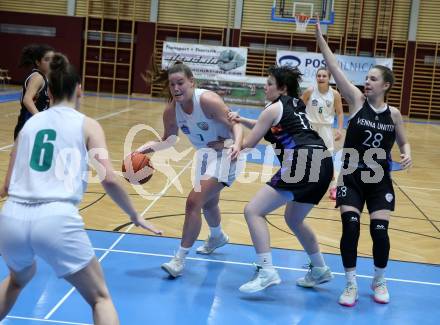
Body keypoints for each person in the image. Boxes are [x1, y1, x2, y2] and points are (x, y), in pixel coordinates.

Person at [0, 53, 162, 325]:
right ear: (79, 90)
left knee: (17, 280)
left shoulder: (29, 127)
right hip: (55, 217)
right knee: (100, 298)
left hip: (13, 216)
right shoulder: (87, 124)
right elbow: (109, 179)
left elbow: (6, 186)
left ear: (48, 92)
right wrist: (135, 215)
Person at [315, 19, 412, 306]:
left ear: (386, 85)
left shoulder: (393, 114)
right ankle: (350, 284)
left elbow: (404, 140)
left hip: (379, 179)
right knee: (351, 228)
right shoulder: (357, 101)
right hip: (352, 177)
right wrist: (321, 39)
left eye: (372, 79)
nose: (366, 82)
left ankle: (379, 280)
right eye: (366, 78)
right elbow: (334, 68)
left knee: (379, 232)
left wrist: (407, 152)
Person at [228, 65, 334, 293]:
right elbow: (266, 126)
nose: (265, 87)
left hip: (303, 160)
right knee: (294, 218)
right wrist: (242, 119)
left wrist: (231, 140)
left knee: (253, 211)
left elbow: (248, 144)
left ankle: (267, 271)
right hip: (324, 162)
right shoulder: (295, 104)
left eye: (269, 84)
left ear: (282, 88)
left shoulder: (272, 108)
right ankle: (319, 268)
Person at [136, 62, 243, 278]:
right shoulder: (171, 111)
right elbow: (168, 140)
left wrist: (237, 145)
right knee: (209, 203)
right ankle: (217, 236)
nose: (176, 88)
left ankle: (179, 260)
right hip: (204, 155)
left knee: (193, 202)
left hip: (226, 153)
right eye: (172, 84)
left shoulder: (207, 100)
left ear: (191, 82)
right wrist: (143, 150)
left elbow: (236, 125)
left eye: (180, 83)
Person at [301, 67, 344, 200]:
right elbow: (298, 107)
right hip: (310, 127)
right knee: (307, 157)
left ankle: (333, 188)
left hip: (326, 128)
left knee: (327, 159)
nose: (321, 78)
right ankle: (304, 185)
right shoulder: (309, 91)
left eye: (324, 76)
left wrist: (339, 129)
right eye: (318, 76)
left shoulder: (334, 94)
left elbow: (340, 112)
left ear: (329, 78)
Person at [14, 44, 55, 140]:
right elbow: (27, 99)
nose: (51, 62)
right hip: (27, 126)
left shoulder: (46, 78)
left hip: (35, 127)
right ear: (38, 62)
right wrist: (40, 118)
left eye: (53, 59)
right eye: (47, 59)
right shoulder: (37, 77)